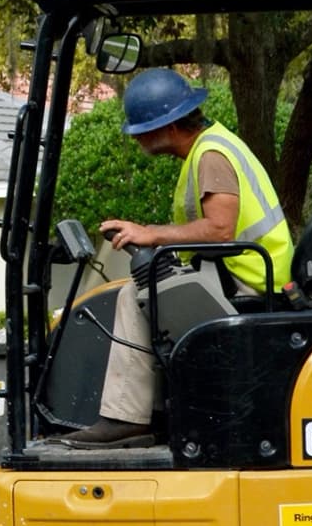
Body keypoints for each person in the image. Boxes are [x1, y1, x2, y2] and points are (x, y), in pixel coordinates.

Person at [57, 67, 292, 449]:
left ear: (167, 127)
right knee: (141, 291)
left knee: (135, 298)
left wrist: (151, 234)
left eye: (140, 130)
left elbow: (219, 231)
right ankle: (157, 415)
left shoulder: (211, 156)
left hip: (249, 284)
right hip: (238, 275)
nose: (136, 139)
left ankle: (125, 418)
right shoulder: (208, 149)